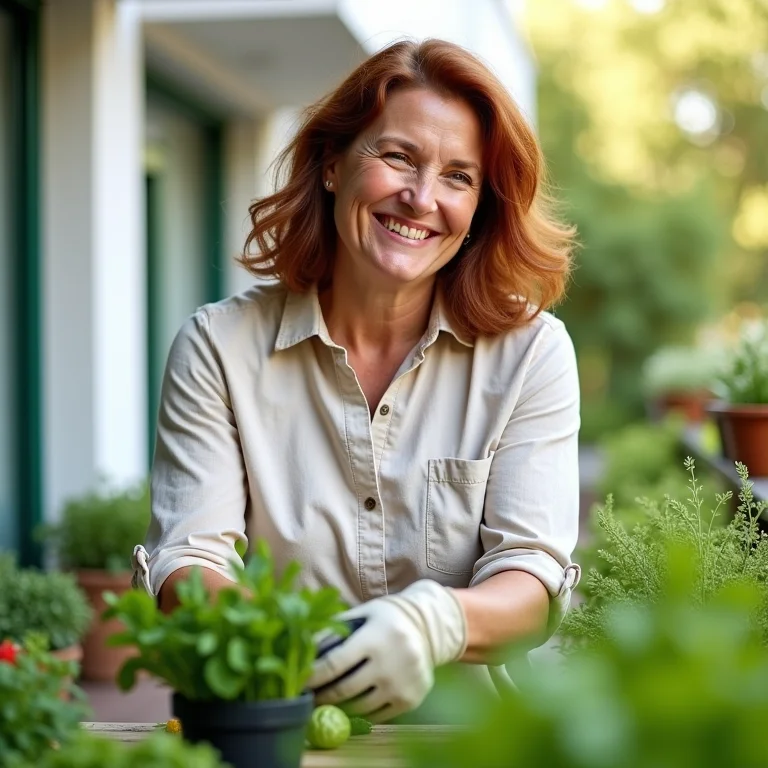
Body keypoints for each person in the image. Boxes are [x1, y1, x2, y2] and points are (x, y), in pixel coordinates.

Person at [132, 38, 581, 724]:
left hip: (469, 741)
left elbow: (532, 582)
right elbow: (190, 562)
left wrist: (434, 621)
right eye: (398, 157)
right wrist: (302, 654)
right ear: (334, 165)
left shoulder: (531, 355)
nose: (422, 197)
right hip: (277, 722)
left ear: (479, 207)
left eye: (459, 177)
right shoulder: (218, 349)